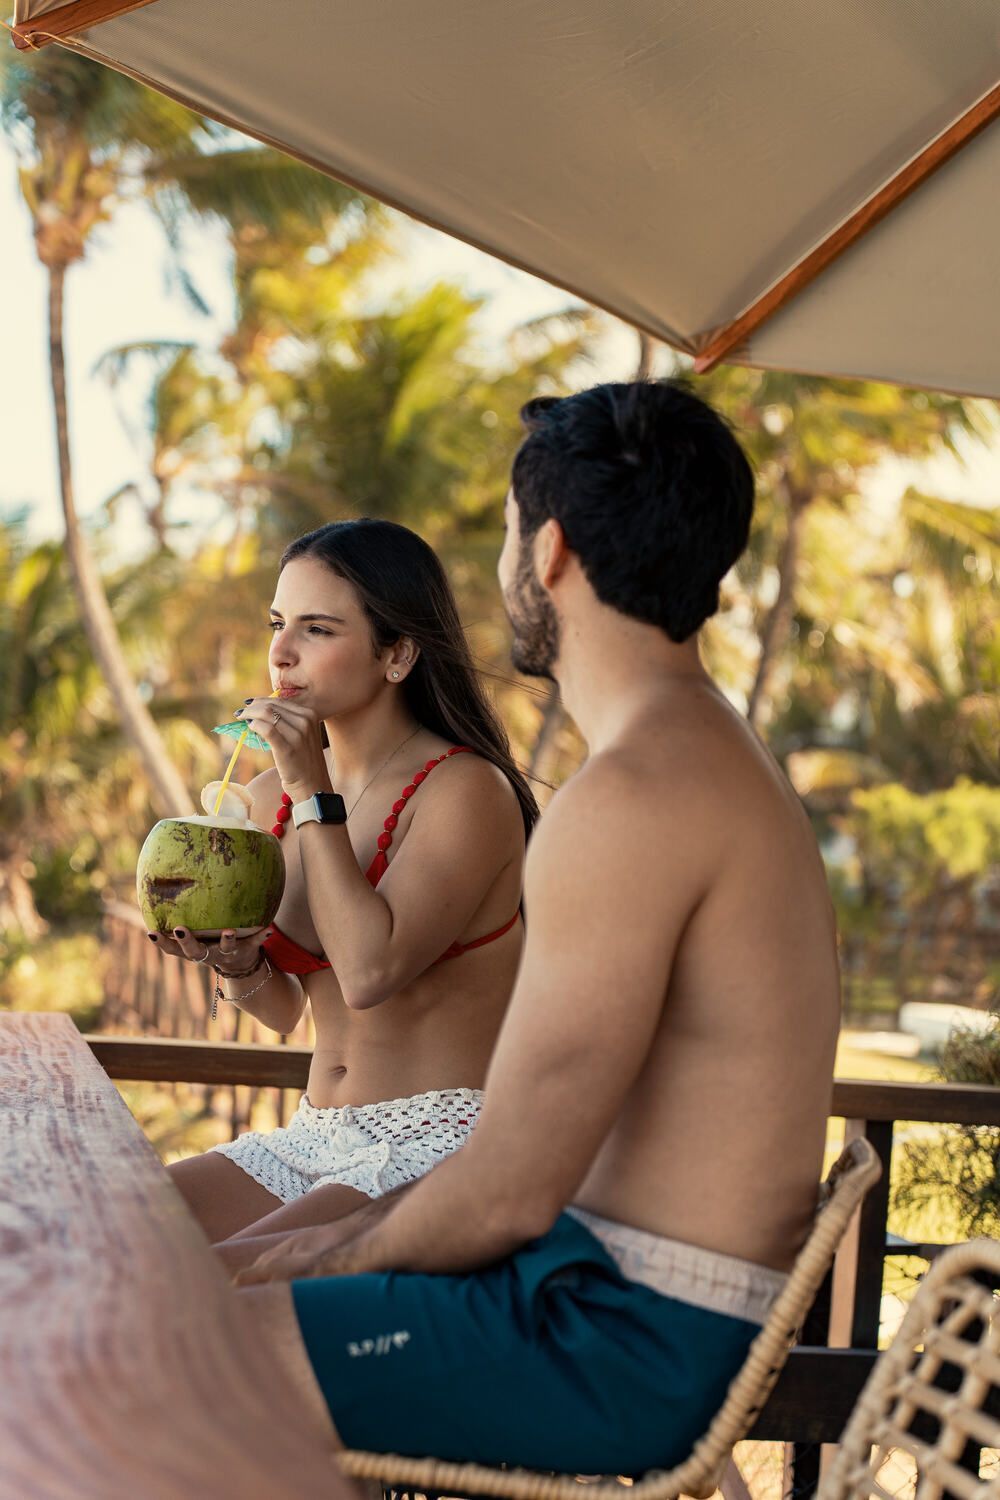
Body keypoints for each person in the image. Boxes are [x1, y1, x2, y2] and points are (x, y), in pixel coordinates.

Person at [227, 381, 842, 1478]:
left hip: (619, 1335)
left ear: (549, 552)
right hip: (600, 1286)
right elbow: (526, 1157)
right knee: (204, 1295)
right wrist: (302, 1249)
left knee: (180, 1347)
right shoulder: (705, 759)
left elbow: (506, 1186)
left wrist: (308, 1264)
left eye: (510, 534)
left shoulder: (632, 798)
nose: (506, 563)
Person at [152, 518, 536, 1245]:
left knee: (209, 1295)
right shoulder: (265, 799)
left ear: (397, 654)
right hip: (313, 1137)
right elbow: (286, 1012)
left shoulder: (464, 791)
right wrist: (235, 964)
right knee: (108, 1236)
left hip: (442, 1145)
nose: (281, 653)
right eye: (277, 623)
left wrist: (310, 788)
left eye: (318, 629)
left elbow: (367, 972)